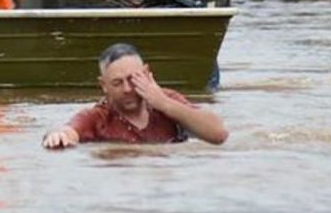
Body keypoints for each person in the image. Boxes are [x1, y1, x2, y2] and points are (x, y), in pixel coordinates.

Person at [42, 43, 229, 148]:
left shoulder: (166, 101)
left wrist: (164, 104)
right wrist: (56, 136)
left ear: (146, 73)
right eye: (117, 82)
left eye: (133, 79)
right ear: (103, 85)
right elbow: (69, 131)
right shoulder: (98, 117)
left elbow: (219, 134)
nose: (127, 89)